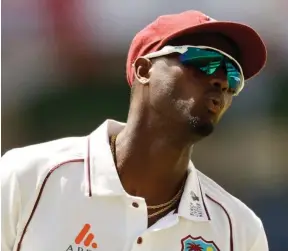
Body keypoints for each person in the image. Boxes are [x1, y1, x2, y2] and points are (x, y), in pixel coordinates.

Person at [1, 10, 268, 251]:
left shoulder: (240, 232)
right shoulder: (27, 176)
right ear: (144, 69)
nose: (221, 81)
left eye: (233, 75)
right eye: (203, 61)